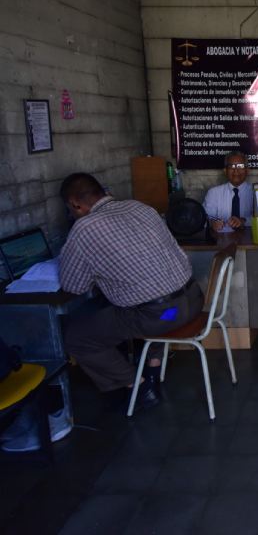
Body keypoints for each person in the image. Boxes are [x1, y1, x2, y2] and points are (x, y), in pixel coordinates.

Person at [59, 173, 203, 410]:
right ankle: (154, 369)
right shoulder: (140, 208)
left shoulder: (84, 228)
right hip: (191, 302)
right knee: (151, 305)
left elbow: (74, 286)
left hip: (163, 317)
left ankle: (138, 385)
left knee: (77, 338)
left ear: (75, 204)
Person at [203, 151, 254, 232]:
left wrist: (244, 221)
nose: (236, 170)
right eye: (231, 166)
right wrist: (212, 223)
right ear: (225, 171)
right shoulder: (213, 193)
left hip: (250, 240)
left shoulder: (256, 192)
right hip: (222, 240)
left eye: (240, 166)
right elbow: (204, 218)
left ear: (247, 170)